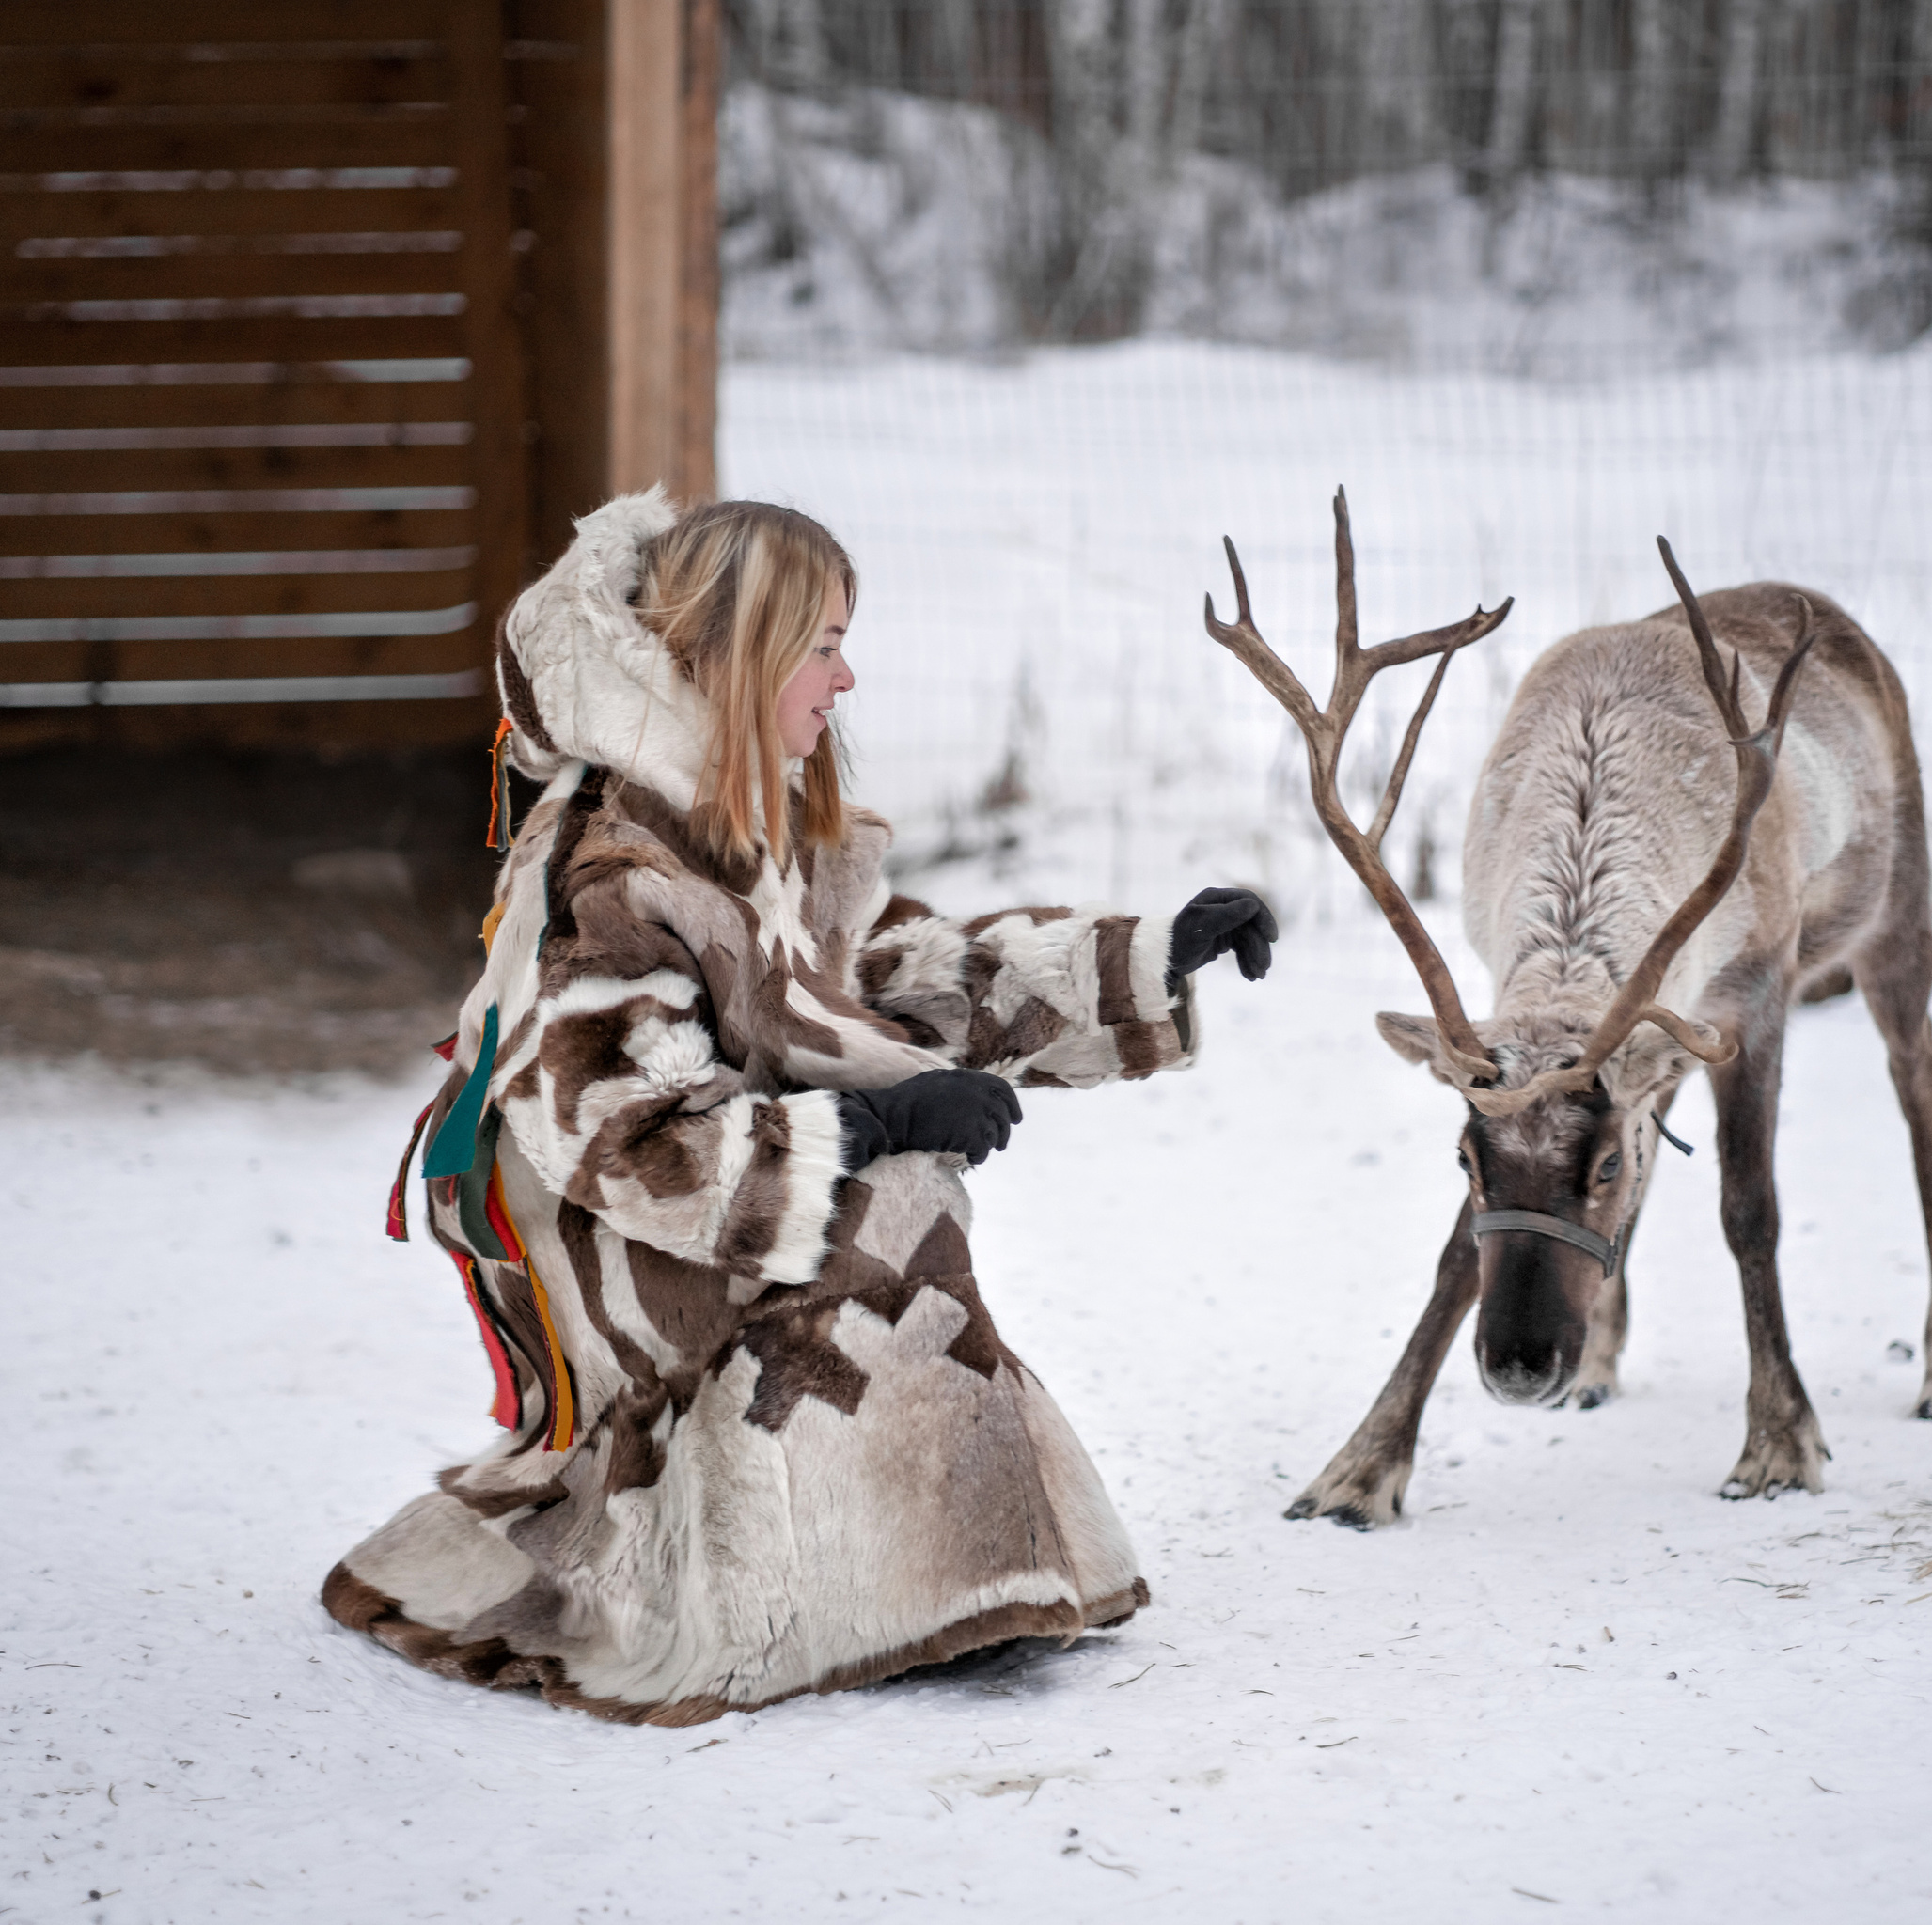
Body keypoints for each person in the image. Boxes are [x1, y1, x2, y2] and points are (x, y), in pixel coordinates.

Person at [323, 490, 1276, 1725]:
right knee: (890, 1203)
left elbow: (877, 985)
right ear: (740, 658)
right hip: (613, 1237)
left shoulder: (744, 835)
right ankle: (834, 1580)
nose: (847, 677)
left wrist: (1141, 959)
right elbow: (622, 1136)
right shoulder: (615, 865)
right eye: (823, 645)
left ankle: (920, 1572)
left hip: (711, 1194)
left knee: (896, 1195)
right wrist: (865, 1130)